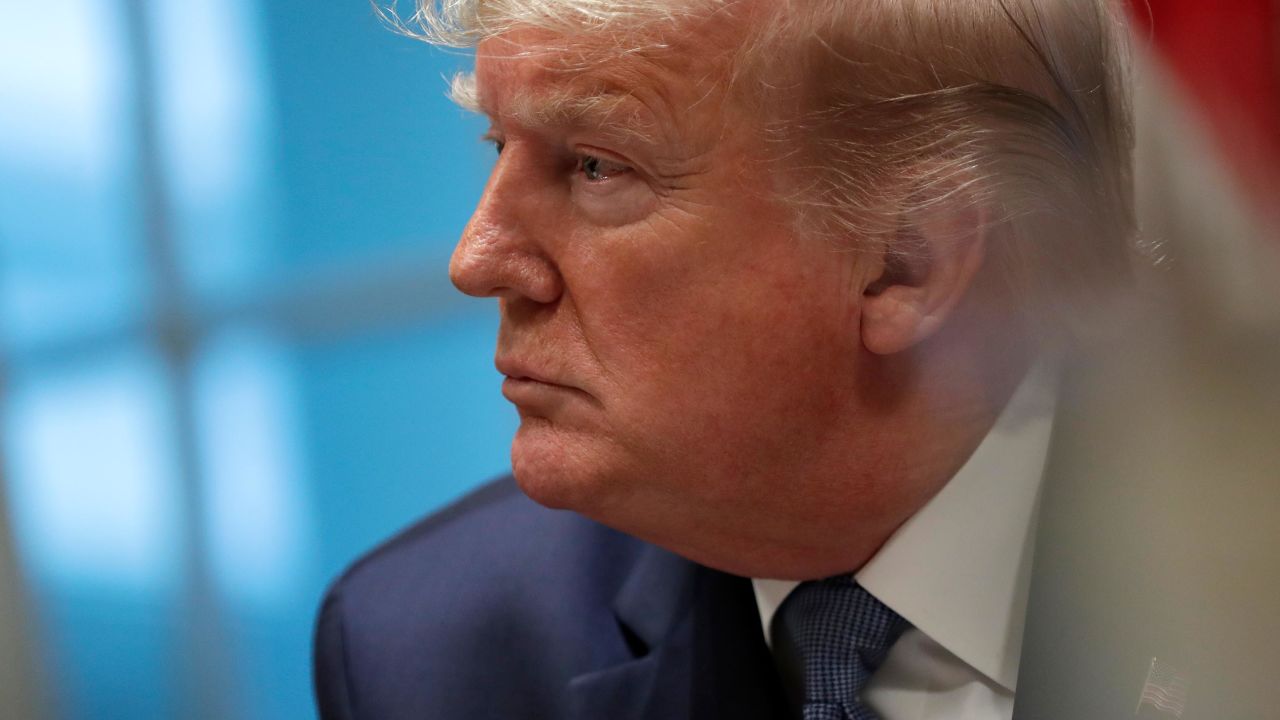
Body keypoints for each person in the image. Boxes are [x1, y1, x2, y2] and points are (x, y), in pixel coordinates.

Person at [313, 1, 1135, 718]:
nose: (478, 260)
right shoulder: (427, 654)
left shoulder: (1239, 572)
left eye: (598, 165)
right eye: (499, 147)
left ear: (906, 259)